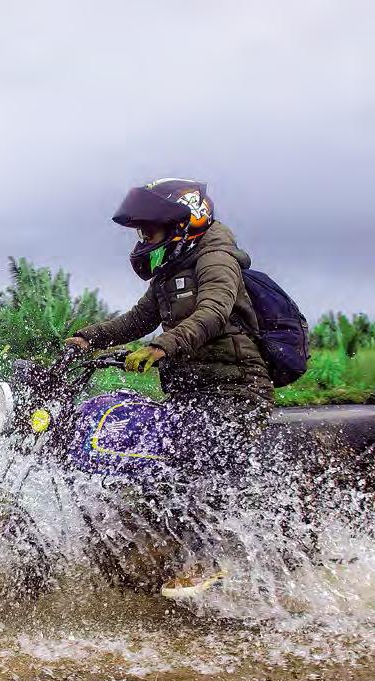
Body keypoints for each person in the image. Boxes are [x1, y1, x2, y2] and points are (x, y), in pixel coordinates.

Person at [67, 178, 273, 597]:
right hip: (189, 393)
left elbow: (213, 311)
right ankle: (150, 551)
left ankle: (206, 558)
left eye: (150, 231)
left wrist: (163, 345)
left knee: (185, 454)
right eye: (141, 233)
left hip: (236, 390)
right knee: (142, 450)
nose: (144, 240)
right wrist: (88, 339)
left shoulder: (216, 258)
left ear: (183, 225)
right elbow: (137, 320)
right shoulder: (170, 271)